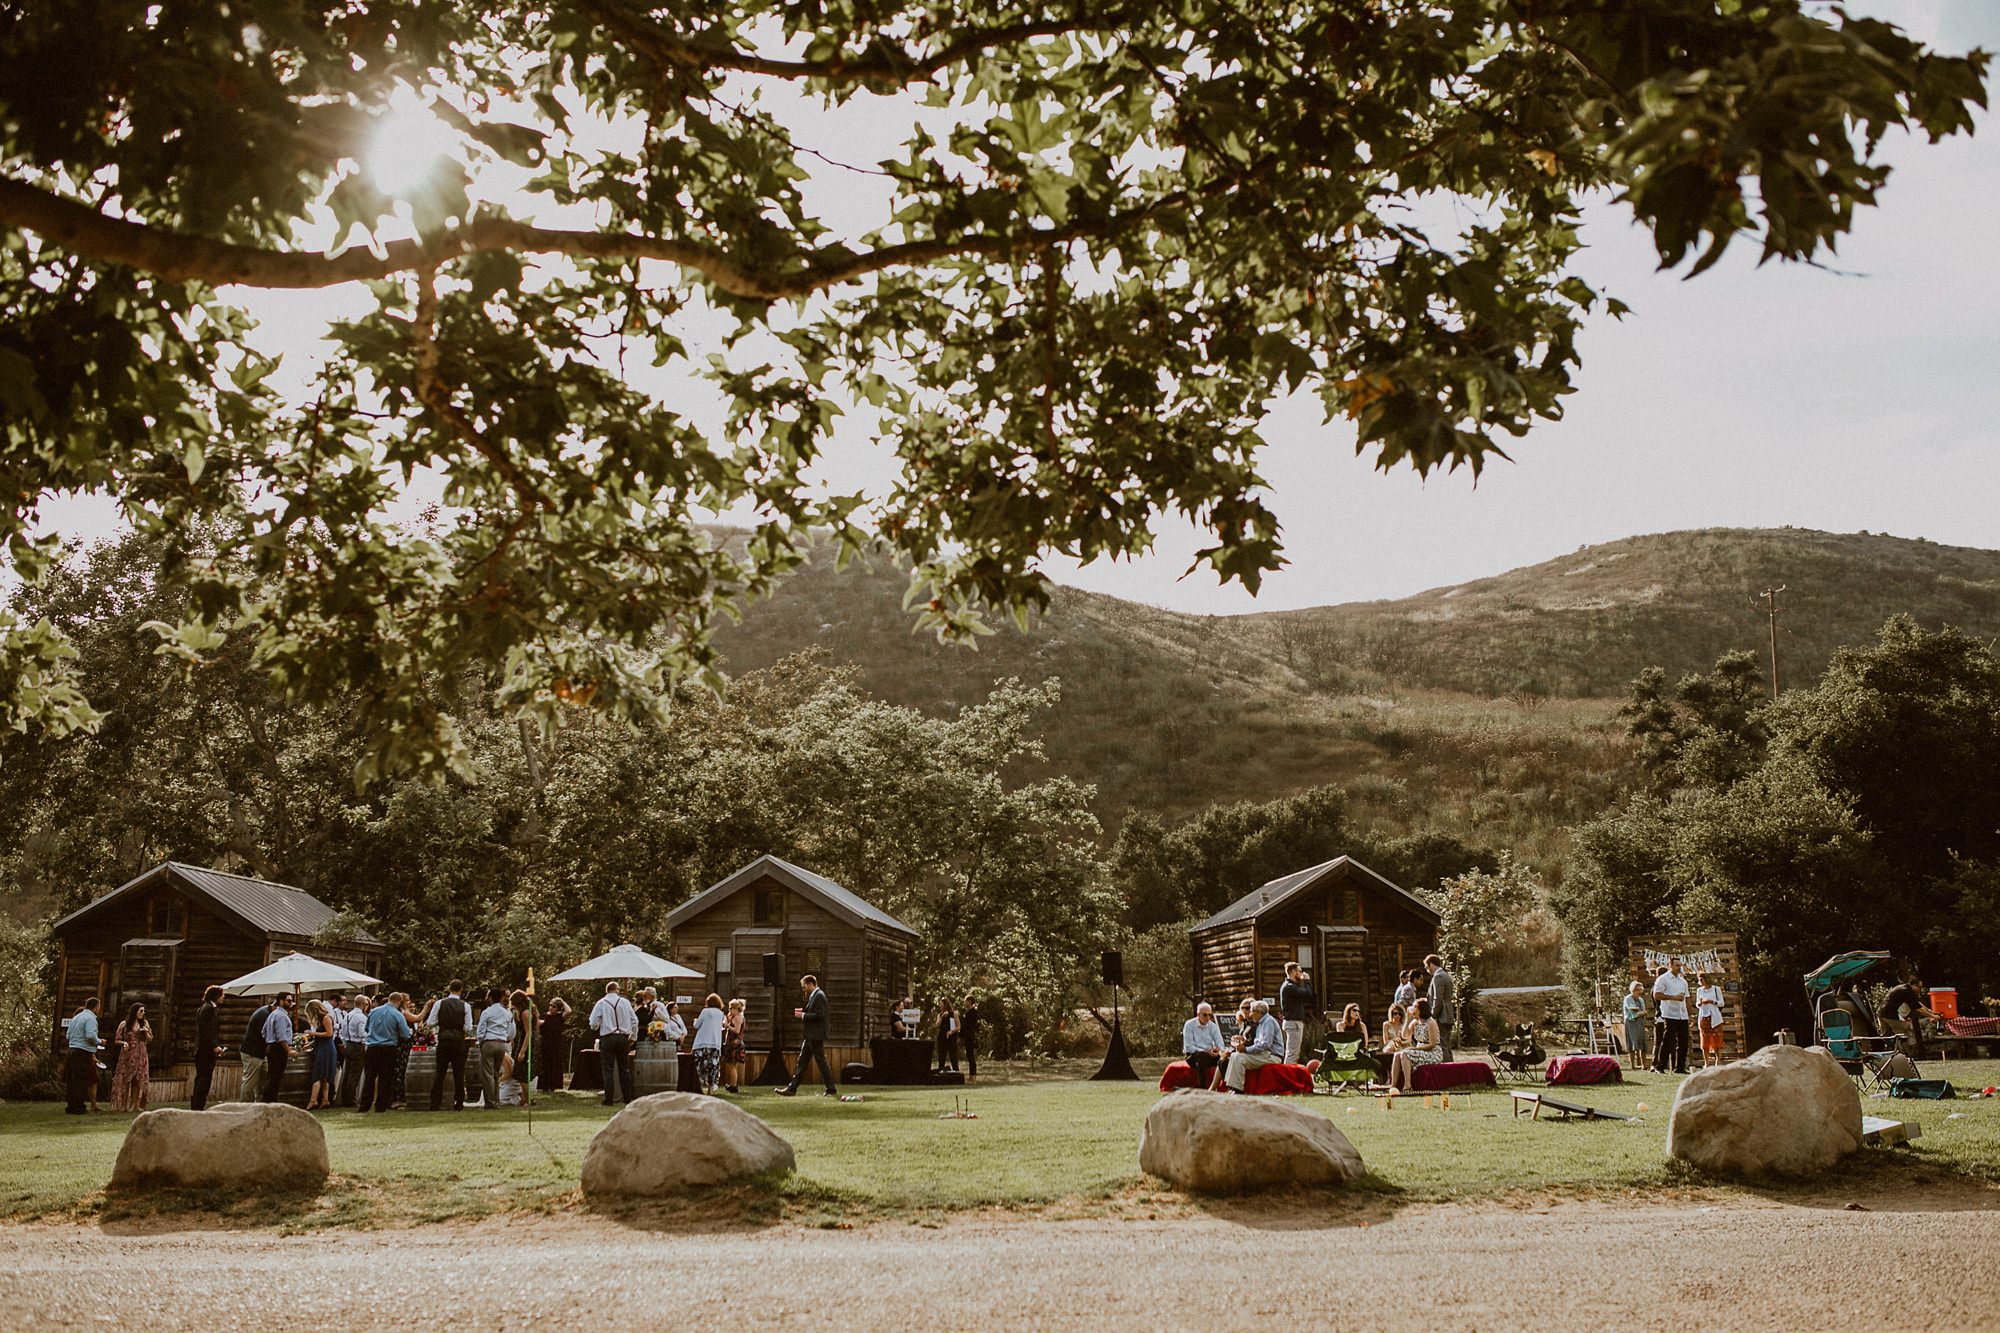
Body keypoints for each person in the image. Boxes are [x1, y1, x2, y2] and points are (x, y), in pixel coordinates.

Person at [776, 973, 838, 1097]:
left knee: (820, 1062)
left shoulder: (819, 996)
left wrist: (803, 1016)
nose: (803, 989)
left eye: (804, 986)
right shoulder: (815, 996)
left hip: (815, 1035)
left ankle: (831, 1089)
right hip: (811, 1035)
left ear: (811, 984)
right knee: (802, 1062)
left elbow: (819, 1015)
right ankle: (792, 1088)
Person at [425, 981, 474, 1111]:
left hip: (443, 1040)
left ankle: (435, 1103)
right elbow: (468, 1028)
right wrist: (459, 1027)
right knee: (458, 1072)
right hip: (458, 1041)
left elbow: (430, 1023)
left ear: (449, 989)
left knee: (440, 1072)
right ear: (461, 990)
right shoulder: (466, 1006)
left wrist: (442, 1023)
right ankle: (459, 1102)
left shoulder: (440, 1003)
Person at [589, 981, 638, 1105]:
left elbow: (593, 1023)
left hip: (608, 1037)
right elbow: (634, 1020)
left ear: (607, 990)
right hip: (623, 1037)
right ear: (617, 990)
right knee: (624, 1069)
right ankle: (627, 1098)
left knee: (608, 1069)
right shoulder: (625, 1002)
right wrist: (633, 1035)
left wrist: (600, 1025)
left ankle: (609, 1099)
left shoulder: (601, 1003)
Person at [363, 988, 411, 1112]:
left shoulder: (373, 1012)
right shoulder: (397, 1014)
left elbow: (367, 1029)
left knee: (369, 1077)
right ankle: (380, 1105)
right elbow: (405, 1034)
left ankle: (365, 1105)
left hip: (372, 1047)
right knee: (385, 1078)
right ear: (399, 1002)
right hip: (388, 1048)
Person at [1224, 999, 1284, 1092]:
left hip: (1272, 1056)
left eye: (1252, 1011)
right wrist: (1243, 1044)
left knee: (1239, 1058)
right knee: (1234, 1055)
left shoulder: (1268, 1022)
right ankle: (1231, 1087)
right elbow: (1259, 1043)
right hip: (1265, 1054)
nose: (1250, 1014)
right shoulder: (1261, 1023)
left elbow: (1265, 1044)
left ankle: (1237, 1089)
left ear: (1259, 1012)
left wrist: (1246, 1049)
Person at [1388, 997, 1443, 1092]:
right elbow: (1405, 1036)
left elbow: (1432, 1044)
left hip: (1433, 1052)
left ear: (1421, 1009)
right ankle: (1393, 1086)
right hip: (1420, 1050)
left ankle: (1408, 1085)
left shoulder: (1431, 1022)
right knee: (1397, 1055)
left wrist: (1415, 1049)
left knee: (1405, 1054)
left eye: (1414, 1007)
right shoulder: (1415, 1022)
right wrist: (1407, 1020)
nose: (1412, 1009)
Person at [475, 987, 515, 1110]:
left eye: (488, 996)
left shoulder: (487, 1012)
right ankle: (497, 1100)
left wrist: (480, 1042)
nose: (486, 998)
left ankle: (490, 1102)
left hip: (489, 1042)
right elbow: (511, 1031)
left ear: (491, 997)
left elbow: (481, 1030)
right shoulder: (507, 1013)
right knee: (497, 1073)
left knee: (487, 1074)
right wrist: (505, 1039)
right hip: (502, 1043)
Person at [1879, 978, 1939, 1059]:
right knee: (1905, 1032)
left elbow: (1918, 1004)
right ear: (1913, 985)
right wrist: (1933, 1016)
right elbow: (1919, 1009)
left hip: (1881, 1012)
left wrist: (1930, 1012)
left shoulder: (1904, 988)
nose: (1920, 990)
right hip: (1890, 1015)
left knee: (1885, 1036)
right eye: (1919, 987)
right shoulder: (1906, 992)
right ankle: (1906, 1055)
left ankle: (1883, 1055)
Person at [1652, 958, 1691, 1074]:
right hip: (1669, 1013)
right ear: (1670, 965)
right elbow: (1656, 995)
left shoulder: (1682, 981)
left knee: (1683, 1041)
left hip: (1682, 1014)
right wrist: (1673, 997)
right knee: (1668, 1040)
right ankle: (1660, 1065)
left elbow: (1687, 998)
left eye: (1680, 965)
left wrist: (1690, 1015)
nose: (1679, 967)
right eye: (1676, 965)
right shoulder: (1663, 979)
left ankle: (1680, 1067)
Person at [64, 997, 102, 1115]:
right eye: (99, 1007)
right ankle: (79, 1107)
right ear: (95, 1007)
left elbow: (68, 1035)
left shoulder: (76, 1017)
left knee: (72, 1080)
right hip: (82, 1051)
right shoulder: (90, 1018)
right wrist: (99, 1041)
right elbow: (90, 1035)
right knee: (81, 1080)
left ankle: (71, 1106)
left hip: (72, 1050)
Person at [190, 985, 226, 1110]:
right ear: (216, 996)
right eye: (222, 995)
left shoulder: (205, 1008)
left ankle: (197, 1105)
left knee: (201, 1078)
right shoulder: (209, 1009)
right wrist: (214, 1046)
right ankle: (198, 1106)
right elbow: (207, 1031)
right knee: (204, 1079)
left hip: (203, 1049)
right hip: (205, 1050)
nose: (223, 998)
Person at [1181, 1002, 1227, 1091]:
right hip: (1193, 1055)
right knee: (1202, 1057)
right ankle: (1203, 1088)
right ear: (1198, 1014)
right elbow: (1188, 1046)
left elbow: (1220, 1043)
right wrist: (1205, 1051)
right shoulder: (1189, 1025)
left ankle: (1225, 1087)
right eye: (1205, 1015)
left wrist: (1218, 1051)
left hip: (1209, 1054)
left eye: (1210, 1015)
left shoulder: (1213, 1026)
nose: (1208, 1018)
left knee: (1225, 1057)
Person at [1278, 962, 1317, 1065]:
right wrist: (1307, 981)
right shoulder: (1289, 987)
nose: (1301, 973)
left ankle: (1290, 1074)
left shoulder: (1292, 986)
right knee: (1292, 1053)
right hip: (1293, 1022)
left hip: (1294, 1022)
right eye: (1300, 971)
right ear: (1293, 972)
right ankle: (1287, 1075)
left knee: (1294, 1052)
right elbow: (1307, 994)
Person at [239, 997, 274, 1107]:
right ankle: (244, 1106)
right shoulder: (264, 1015)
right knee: (250, 1081)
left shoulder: (268, 1012)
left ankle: (258, 1105)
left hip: (261, 1053)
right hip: (252, 1052)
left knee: (262, 1081)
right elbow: (266, 1034)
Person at [304, 997, 338, 1109]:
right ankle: (325, 1100)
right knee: (323, 1076)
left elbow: (329, 1034)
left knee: (318, 1074)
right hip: (321, 1046)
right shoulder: (320, 1019)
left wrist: (313, 1034)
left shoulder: (326, 1018)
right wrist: (311, 1043)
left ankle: (313, 1100)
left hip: (326, 1049)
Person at [262, 994, 296, 1102]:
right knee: (276, 1076)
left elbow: (263, 1032)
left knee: (272, 1075)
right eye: (288, 1001)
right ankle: (270, 1100)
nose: (290, 1003)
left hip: (271, 1046)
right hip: (278, 1048)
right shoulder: (281, 1016)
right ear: (281, 1001)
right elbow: (281, 1037)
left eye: (291, 1001)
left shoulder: (272, 1014)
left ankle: (268, 1100)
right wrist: (289, 1050)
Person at [1423, 954, 1457, 1061]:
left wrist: (1432, 1016)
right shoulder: (1445, 975)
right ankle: (1451, 1069)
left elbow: (1437, 999)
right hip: (1448, 1014)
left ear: (1431, 964)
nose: (1426, 969)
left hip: (1441, 1016)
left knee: (1442, 1045)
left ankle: (1447, 1070)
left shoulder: (1438, 976)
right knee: (1447, 1045)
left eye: (1426, 966)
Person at [691, 993, 726, 1094]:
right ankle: (711, 1088)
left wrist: (694, 1021)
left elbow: (697, 1025)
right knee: (712, 1066)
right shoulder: (720, 1014)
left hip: (702, 1042)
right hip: (715, 1043)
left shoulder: (705, 1011)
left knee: (699, 1065)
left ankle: (699, 1087)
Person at [341, 995, 372, 1108]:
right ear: (364, 1005)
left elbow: (343, 1032)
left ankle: (345, 1097)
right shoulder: (361, 1017)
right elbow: (362, 1033)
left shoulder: (348, 1015)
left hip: (349, 1044)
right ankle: (351, 1099)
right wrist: (370, 1035)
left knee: (348, 1072)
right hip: (357, 1045)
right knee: (355, 1073)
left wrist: (345, 1043)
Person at [538, 996, 571, 1092]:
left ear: (558, 1008)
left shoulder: (559, 1017)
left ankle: (553, 1086)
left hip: (556, 1043)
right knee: (545, 1064)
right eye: (550, 1005)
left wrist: (562, 1000)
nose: (551, 1007)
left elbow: (569, 1011)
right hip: (545, 1043)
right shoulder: (544, 1016)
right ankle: (544, 1086)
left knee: (554, 1064)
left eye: (554, 1006)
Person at [1695, 974, 1726, 1068]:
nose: (1701, 981)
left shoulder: (1716, 989)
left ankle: (1718, 1061)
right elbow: (1697, 1003)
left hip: (1715, 1017)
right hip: (1704, 1016)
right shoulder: (1699, 990)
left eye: (1702, 979)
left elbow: (1721, 1003)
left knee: (1717, 1040)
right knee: (1705, 1041)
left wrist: (1712, 1001)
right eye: (1700, 980)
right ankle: (1706, 1062)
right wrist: (1700, 1003)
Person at [721, 997, 748, 1094]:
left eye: (732, 1008)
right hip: (730, 1043)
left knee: (732, 1065)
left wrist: (728, 1026)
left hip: (735, 1044)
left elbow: (736, 1030)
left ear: (737, 1009)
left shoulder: (738, 1018)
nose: (730, 1010)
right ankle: (731, 1084)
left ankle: (734, 1085)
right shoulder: (733, 1017)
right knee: (729, 1064)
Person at [1621, 981, 1650, 1071]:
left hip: (1640, 1023)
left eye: (1641, 990)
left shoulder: (1640, 1000)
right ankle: (1632, 1065)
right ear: (1633, 990)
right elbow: (1633, 1013)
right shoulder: (1628, 999)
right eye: (1638, 990)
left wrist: (1641, 1013)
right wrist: (1642, 1013)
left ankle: (1643, 1064)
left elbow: (1643, 1012)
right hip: (1631, 1022)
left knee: (1642, 1043)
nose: (1639, 992)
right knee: (1632, 1042)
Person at [960, 994, 982, 1081]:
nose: (964, 1002)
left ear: (969, 1001)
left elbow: (968, 1025)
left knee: (971, 1056)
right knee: (969, 1056)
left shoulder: (973, 1012)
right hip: (967, 1036)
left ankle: (973, 1075)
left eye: (965, 1001)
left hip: (970, 1036)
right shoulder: (968, 1012)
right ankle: (971, 1075)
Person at [935, 1002, 960, 1072]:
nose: (940, 1005)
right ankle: (940, 1072)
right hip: (942, 1038)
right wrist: (942, 1017)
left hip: (951, 1038)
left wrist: (952, 1031)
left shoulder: (954, 1014)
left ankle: (956, 1072)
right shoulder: (939, 1015)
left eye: (941, 1004)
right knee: (941, 1057)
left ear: (945, 1005)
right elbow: (936, 1025)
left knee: (953, 1057)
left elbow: (958, 1027)